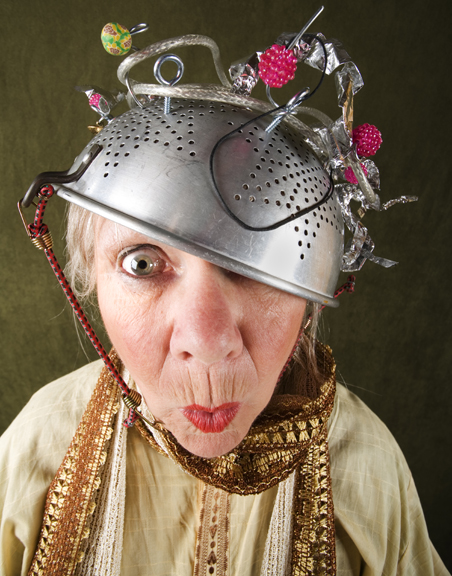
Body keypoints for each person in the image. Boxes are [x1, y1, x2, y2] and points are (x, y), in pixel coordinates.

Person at [0, 15, 449, 576]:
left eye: (255, 266)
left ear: (309, 293)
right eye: (143, 263)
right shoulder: (36, 452)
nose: (208, 343)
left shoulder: (367, 473)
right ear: (88, 276)